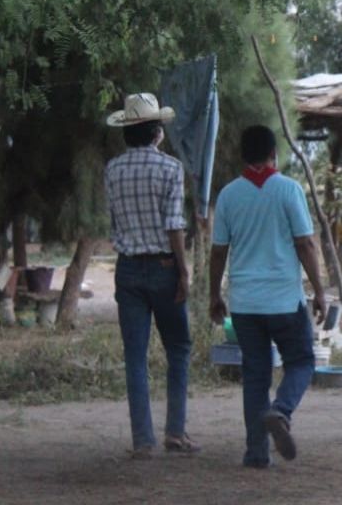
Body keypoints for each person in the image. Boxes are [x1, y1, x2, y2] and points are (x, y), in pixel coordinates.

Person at [209, 125, 327, 468]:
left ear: (241, 156)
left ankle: (256, 453)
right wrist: (319, 291)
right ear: (274, 153)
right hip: (284, 300)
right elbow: (305, 244)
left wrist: (215, 294)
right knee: (301, 361)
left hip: (245, 304)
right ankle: (282, 410)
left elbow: (219, 251)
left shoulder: (229, 195)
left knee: (256, 375)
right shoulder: (289, 190)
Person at [104, 92, 199, 459]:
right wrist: (183, 271)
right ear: (158, 132)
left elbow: (114, 223)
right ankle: (175, 431)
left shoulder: (112, 170)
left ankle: (143, 439)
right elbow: (174, 226)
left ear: (127, 133)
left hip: (127, 269)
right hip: (163, 267)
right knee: (178, 347)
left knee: (135, 355)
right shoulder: (170, 169)